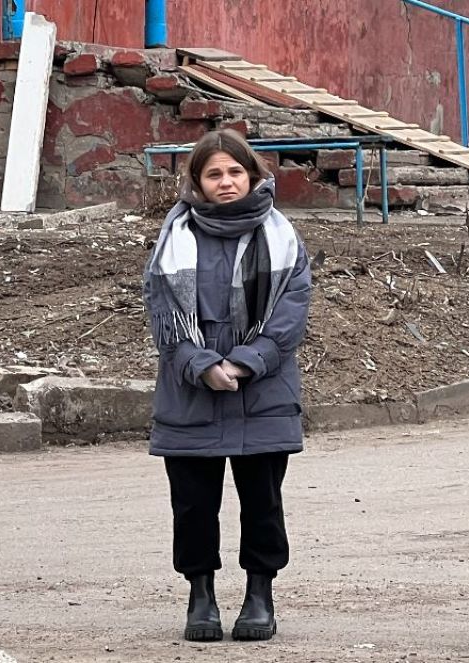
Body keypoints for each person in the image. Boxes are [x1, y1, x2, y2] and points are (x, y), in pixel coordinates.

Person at [142, 129, 311, 642]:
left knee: (263, 502)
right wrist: (200, 364)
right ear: (196, 181)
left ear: (254, 176)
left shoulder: (283, 238)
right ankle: (202, 597)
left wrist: (243, 364)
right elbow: (163, 314)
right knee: (193, 505)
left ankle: (260, 596)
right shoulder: (173, 240)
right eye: (214, 173)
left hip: (263, 392)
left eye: (236, 171)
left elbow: (291, 313)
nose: (227, 182)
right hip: (189, 391)